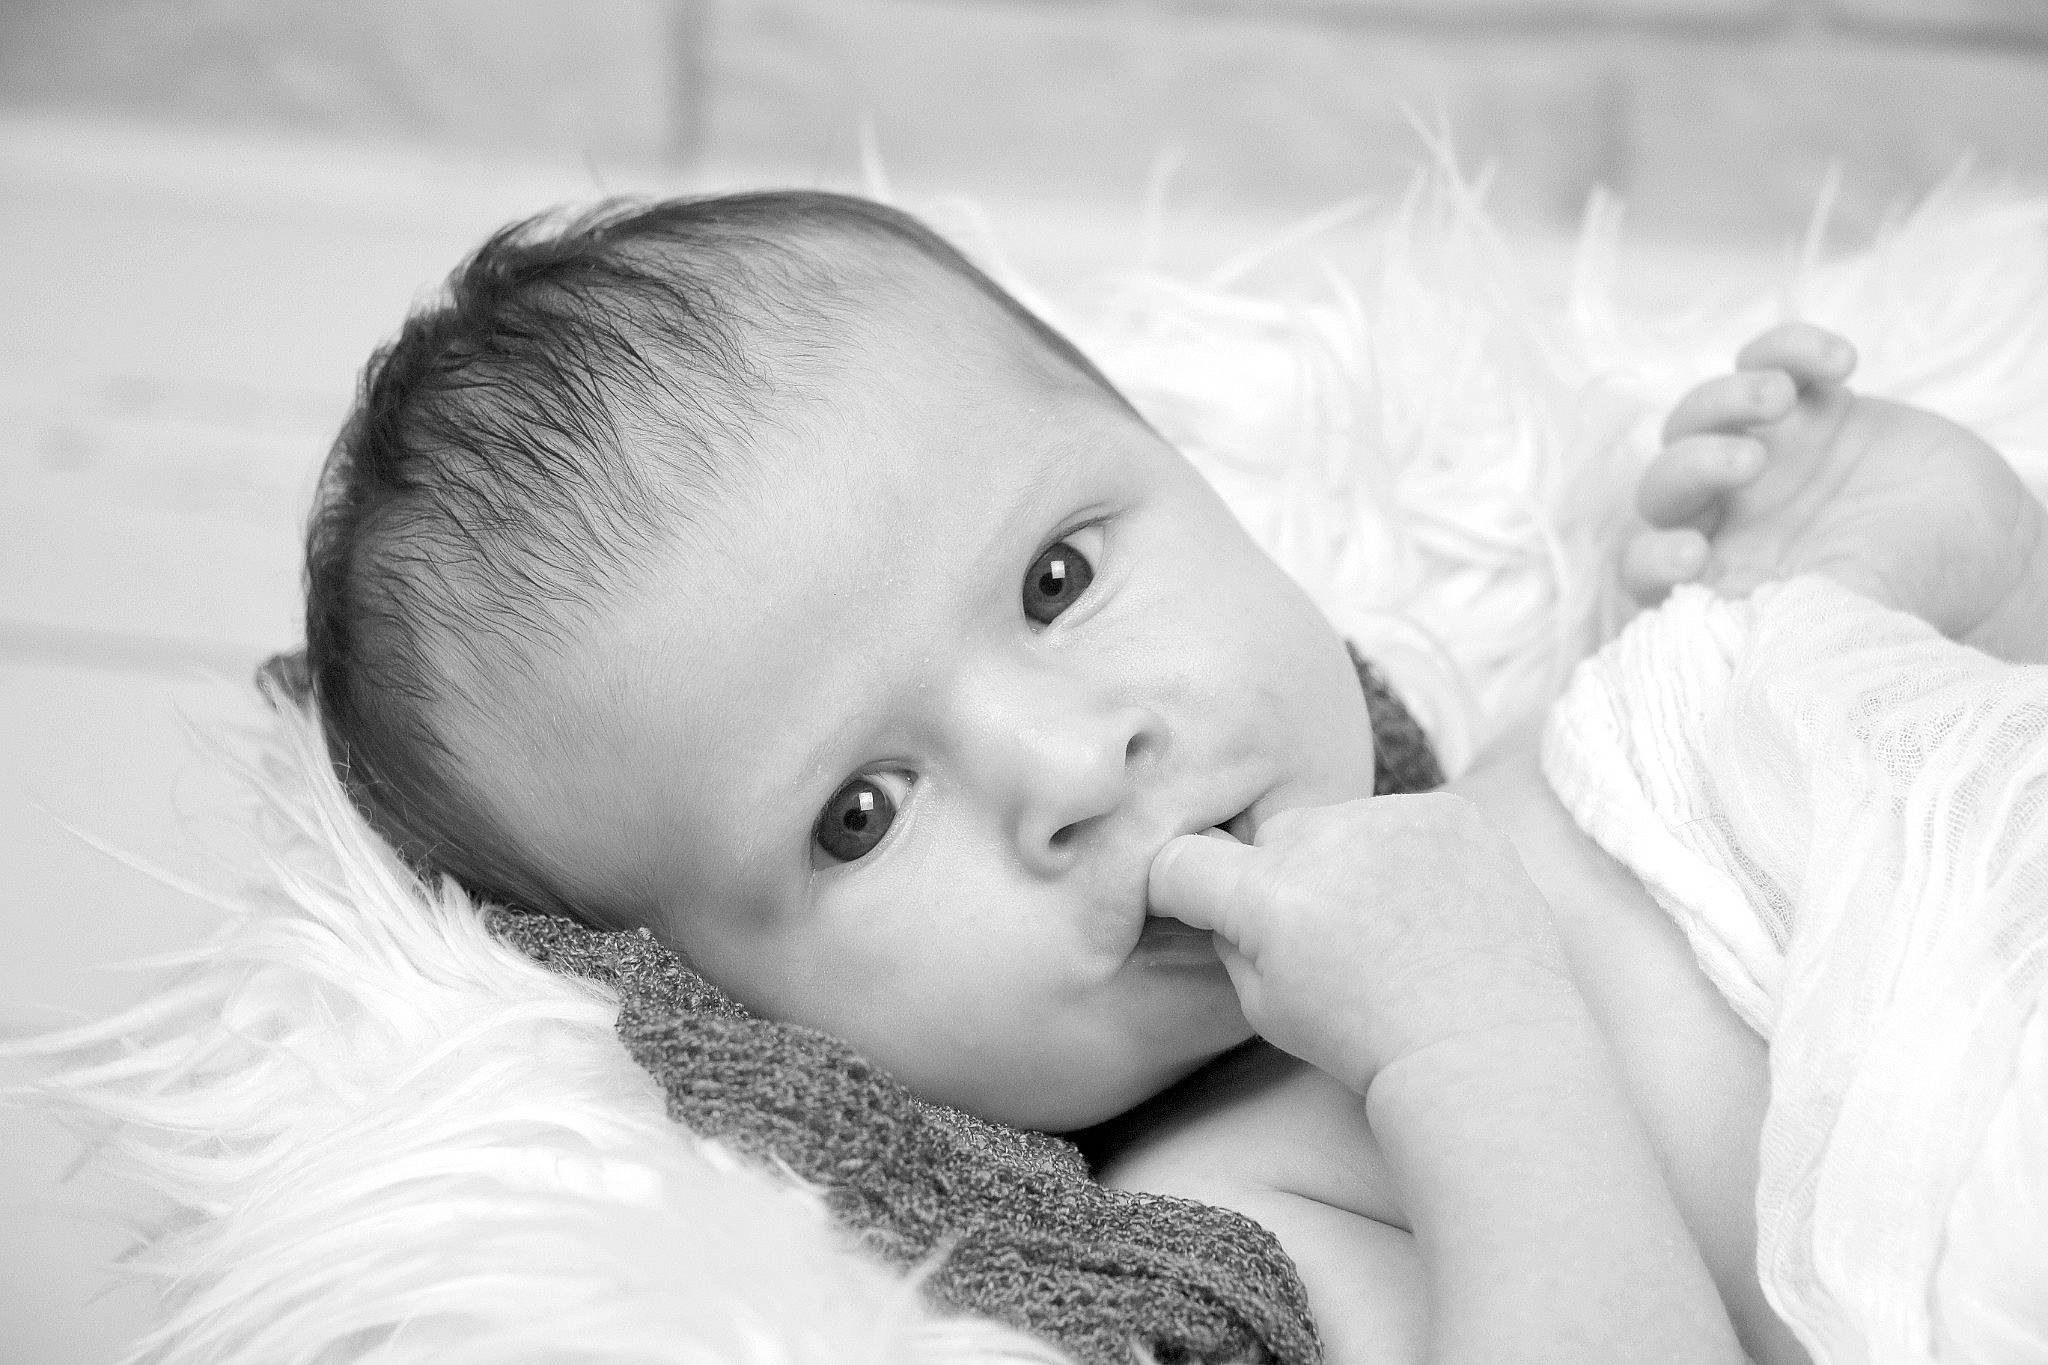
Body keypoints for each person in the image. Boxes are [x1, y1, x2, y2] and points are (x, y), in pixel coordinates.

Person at [301, 190, 2047, 1364]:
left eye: (1057, 580)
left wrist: (1890, 564)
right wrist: (1481, 1053)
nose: (1071, 763)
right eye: (861, 811)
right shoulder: (1243, 1205)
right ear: (748, 1034)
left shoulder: (1567, 740)